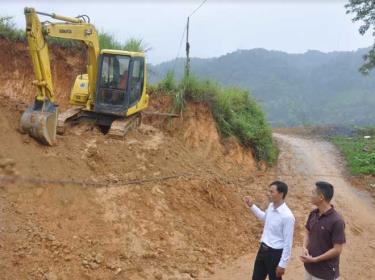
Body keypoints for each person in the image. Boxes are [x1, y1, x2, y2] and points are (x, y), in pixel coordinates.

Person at [244, 181, 295, 280]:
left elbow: (288, 243)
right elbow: (264, 217)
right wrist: (252, 206)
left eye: (272, 192)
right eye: (269, 191)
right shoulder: (271, 206)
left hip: (275, 254)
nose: (269, 194)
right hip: (263, 249)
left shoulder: (287, 216)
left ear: (281, 194)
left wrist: (282, 264)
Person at [301, 181, 346, 280]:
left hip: (325, 274)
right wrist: (304, 247)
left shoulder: (337, 220)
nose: (310, 195)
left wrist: (315, 260)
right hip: (309, 269)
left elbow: (337, 249)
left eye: (313, 193)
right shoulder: (313, 214)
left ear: (321, 197)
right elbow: (307, 232)